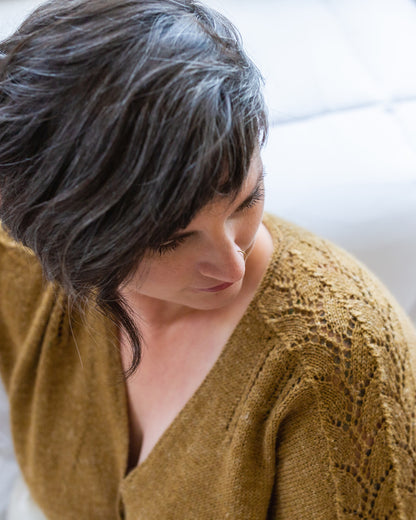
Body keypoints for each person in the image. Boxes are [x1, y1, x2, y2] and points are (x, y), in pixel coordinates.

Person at [0, 0, 415, 518]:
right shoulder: (19, 260)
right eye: (172, 240)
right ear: (62, 236)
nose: (232, 266)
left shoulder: (336, 366)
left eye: (247, 199)